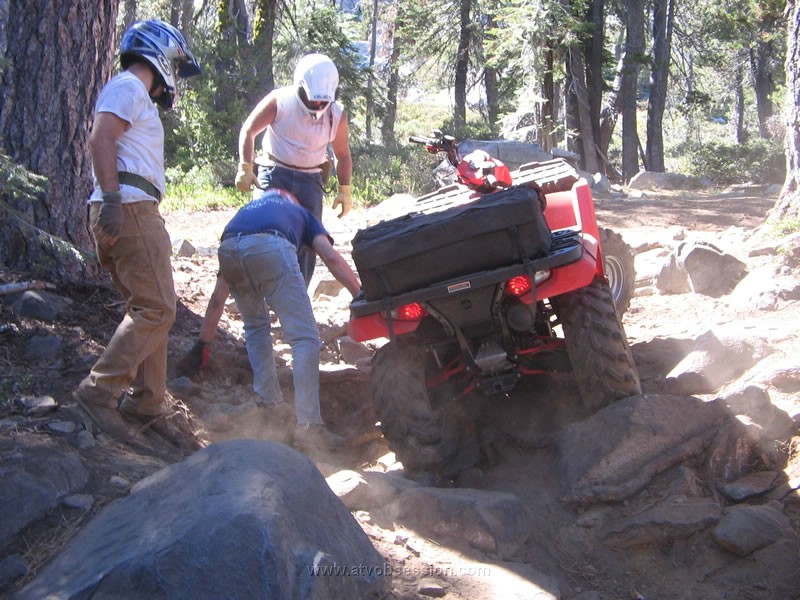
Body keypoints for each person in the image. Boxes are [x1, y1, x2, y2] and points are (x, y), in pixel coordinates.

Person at [178, 52, 353, 376]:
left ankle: (294, 308)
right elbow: (248, 131)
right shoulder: (281, 101)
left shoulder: (336, 115)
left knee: (309, 247)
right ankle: (256, 308)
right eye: (312, 102)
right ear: (300, 88)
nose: (316, 109)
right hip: (274, 172)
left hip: (311, 179)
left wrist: (345, 188)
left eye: (322, 104)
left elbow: (342, 154)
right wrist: (246, 167)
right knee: (261, 239)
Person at [73, 20, 201, 444]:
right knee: (158, 310)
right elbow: (100, 139)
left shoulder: (133, 93)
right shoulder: (128, 86)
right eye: (177, 67)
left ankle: (147, 403)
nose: (175, 79)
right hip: (128, 207)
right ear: (161, 54)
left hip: (131, 207)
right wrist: (111, 200)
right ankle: (99, 392)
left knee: (152, 310)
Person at [215, 188, 361, 451]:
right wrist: (359, 295)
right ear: (290, 200)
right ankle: (309, 427)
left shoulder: (245, 212)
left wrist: (203, 343)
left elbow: (217, 298)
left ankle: (268, 405)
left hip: (228, 250)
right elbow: (329, 256)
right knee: (304, 338)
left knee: (256, 328)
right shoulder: (300, 212)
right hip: (269, 248)